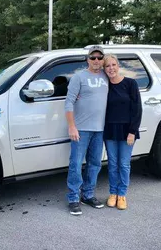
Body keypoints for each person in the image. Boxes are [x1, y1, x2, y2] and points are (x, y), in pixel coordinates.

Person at [65, 45, 109, 215]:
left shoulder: (107, 76)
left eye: (99, 57)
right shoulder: (79, 77)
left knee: (95, 164)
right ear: (87, 59)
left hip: (100, 129)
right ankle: (73, 198)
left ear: (103, 59)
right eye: (93, 57)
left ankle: (88, 194)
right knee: (75, 164)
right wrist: (71, 126)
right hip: (81, 129)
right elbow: (68, 102)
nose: (96, 60)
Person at [103, 54, 142, 210]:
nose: (111, 68)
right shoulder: (104, 85)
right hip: (110, 130)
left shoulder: (130, 84)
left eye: (113, 64)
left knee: (124, 164)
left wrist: (132, 131)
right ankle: (112, 193)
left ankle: (122, 194)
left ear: (118, 66)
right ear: (104, 69)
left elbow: (137, 109)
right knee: (112, 164)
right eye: (107, 66)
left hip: (127, 130)